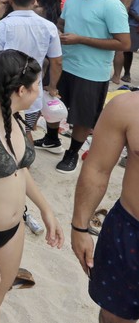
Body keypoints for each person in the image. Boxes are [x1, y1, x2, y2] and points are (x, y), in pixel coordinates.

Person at [0, 50, 64, 322]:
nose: (39, 93)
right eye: (37, 88)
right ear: (21, 90)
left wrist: (45, 209)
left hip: (12, 231)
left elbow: (19, 170)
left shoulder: (16, 118)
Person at [49, 0, 130, 173]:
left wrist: (80, 39)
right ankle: (51, 139)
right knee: (53, 106)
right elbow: (63, 23)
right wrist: (57, 31)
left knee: (82, 118)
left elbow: (124, 43)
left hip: (92, 72)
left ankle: (72, 154)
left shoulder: (112, 5)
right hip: (65, 65)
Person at [71, 89, 139, 323]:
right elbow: (97, 169)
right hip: (129, 231)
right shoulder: (128, 107)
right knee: (113, 317)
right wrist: (80, 227)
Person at [0, 0, 62, 132]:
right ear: (34, 0)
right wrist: (52, 87)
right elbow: (57, 61)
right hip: (32, 92)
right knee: (25, 133)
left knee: (2, 133)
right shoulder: (49, 26)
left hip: (3, 92)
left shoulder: (1, 26)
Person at [108, 0, 135, 85]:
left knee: (114, 49)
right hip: (125, 17)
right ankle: (117, 76)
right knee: (120, 50)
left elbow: (109, 5)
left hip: (115, 18)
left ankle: (115, 76)